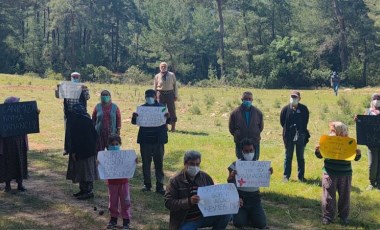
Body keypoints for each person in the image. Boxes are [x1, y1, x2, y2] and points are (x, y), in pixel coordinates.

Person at [164, 150, 231, 230]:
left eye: (197, 164)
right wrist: (189, 201)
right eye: (192, 164)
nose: (195, 167)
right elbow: (168, 203)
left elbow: (214, 198)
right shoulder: (175, 181)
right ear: (185, 164)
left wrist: (233, 201)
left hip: (204, 215)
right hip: (185, 219)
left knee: (227, 214)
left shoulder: (205, 177)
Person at [314, 121, 361, 225]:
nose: (331, 133)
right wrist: (317, 150)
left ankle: (343, 217)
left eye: (333, 131)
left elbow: (355, 158)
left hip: (345, 174)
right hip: (329, 173)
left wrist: (358, 153)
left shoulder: (349, 143)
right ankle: (327, 217)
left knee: (345, 196)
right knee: (328, 196)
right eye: (331, 131)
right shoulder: (328, 141)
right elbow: (320, 155)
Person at [227, 138, 272, 229]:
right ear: (241, 151)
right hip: (241, 199)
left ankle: (251, 216)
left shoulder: (259, 165)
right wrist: (230, 177)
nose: (249, 153)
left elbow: (262, 178)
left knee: (261, 224)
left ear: (255, 150)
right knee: (238, 223)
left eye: (251, 150)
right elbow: (230, 184)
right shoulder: (235, 164)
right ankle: (239, 215)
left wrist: (268, 172)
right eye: (246, 151)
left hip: (255, 199)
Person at [131, 89, 170, 194]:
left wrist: (168, 116)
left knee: (159, 163)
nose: (149, 98)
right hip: (145, 140)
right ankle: (147, 185)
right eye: (147, 96)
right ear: (145, 97)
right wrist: (134, 117)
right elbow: (134, 122)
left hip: (158, 139)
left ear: (155, 96)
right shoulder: (141, 108)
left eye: (151, 96)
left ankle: (160, 186)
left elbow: (168, 121)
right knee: (146, 163)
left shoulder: (162, 108)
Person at [0, 97, 39, 192]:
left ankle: (20, 184)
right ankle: (7, 185)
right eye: (17, 103)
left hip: (20, 142)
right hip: (7, 144)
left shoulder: (21, 114)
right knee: (7, 163)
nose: (19, 104)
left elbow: (29, 120)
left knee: (20, 162)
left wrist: (35, 113)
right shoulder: (3, 116)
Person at [66, 103, 98, 200]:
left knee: (85, 171)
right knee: (83, 171)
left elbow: (76, 138)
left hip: (83, 152)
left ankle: (88, 191)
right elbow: (95, 135)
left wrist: (74, 151)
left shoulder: (77, 122)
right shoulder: (87, 120)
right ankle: (83, 190)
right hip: (89, 151)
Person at [55, 72, 90, 155]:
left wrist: (84, 90)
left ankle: (80, 147)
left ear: (79, 77)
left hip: (80, 113)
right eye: (73, 77)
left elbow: (87, 97)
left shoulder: (83, 87)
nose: (75, 78)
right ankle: (67, 149)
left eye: (76, 77)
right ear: (70, 77)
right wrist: (58, 88)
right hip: (69, 112)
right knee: (68, 131)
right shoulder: (66, 87)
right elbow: (57, 96)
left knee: (80, 130)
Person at [280, 90, 309, 182]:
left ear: (299, 98)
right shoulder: (285, 109)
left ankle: (301, 177)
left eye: (295, 97)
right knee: (288, 157)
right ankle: (286, 176)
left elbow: (305, 122)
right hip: (288, 136)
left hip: (301, 136)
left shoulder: (304, 109)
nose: (293, 98)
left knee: (300, 157)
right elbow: (282, 122)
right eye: (292, 97)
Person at [103, 134, 131, 230]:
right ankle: (113, 219)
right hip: (112, 183)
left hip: (124, 182)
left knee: (125, 201)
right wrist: (99, 163)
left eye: (117, 144)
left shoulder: (124, 156)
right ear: (108, 146)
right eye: (112, 144)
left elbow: (129, 164)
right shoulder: (105, 157)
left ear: (120, 144)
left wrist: (134, 161)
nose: (115, 146)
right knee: (113, 201)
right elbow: (103, 167)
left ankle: (126, 221)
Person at [229, 91, 264, 160]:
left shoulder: (258, 113)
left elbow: (261, 127)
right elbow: (231, 128)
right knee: (241, 164)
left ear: (252, 100)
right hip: (240, 142)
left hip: (254, 142)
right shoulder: (235, 113)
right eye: (246, 99)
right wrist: (238, 135)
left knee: (254, 163)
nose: (248, 101)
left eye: (249, 99)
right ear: (242, 100)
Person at [361, 93, 380, 190]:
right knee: (372, 163)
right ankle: (372, 183)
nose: (376, 100)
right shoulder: (367, 111)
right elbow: (362, 125)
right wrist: (358, 120)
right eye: (374, 98)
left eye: (378, 98)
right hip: (371, 143)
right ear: (371, 100)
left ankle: (379, 182)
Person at [154, 62, 178, 132]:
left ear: (167, 67)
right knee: (162, 111)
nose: (163, 67)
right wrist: (154, 96)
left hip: (170, 94)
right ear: (159, 67)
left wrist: (176, 95)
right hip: (160, 94)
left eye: (164, 66)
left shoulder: (171, 75)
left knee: (172, 110)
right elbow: (155, 87)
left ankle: (173, 127)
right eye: (162, 66)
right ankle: (164, 127)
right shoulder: (157, 76)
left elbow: (175, 86)